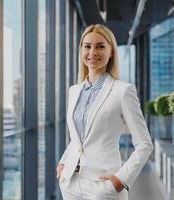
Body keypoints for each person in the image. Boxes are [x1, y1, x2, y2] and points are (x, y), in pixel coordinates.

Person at [56, 24, 153, 200]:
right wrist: (63, 162)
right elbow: (78, 138)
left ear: (111, 52)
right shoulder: (74, 91)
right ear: (81, 50)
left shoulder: (123, 91)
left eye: (100, 46)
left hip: (102, 186)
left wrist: (120, 180)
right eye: (87, 46)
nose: (92, 52)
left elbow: (145, 144)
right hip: (70, 183)